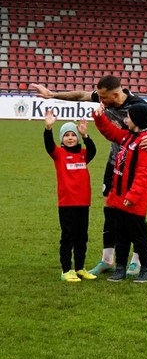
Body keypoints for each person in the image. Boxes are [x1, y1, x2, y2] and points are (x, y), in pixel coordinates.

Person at [32, 76, 147, 276]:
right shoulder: (105, 98)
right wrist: (52, 94)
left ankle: (136, 261)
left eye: (103, 98)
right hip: (114, 162)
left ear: (115, 94)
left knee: (134, 214)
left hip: (132, 166)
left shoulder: (139, 106)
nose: (99, 100)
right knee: (111, 211)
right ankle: (108, 260)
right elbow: (81, 95)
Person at [91, 101, 147, 283]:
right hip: (119, 197)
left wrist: (132, 196)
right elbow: (111, 132)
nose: (125, 119)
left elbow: (143, 174)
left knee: (138, 236)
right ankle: (120, 267)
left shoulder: (145, 142)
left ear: (137, 120)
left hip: (134, 199)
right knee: (120, 234)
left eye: (128, 117)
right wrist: (99, 117)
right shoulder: (128, 137)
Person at [43, 109, 98, 282]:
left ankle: (80, 268)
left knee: (82, 237)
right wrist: (48, 128)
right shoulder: (59, 154)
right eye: (66, 135)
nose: (70, 138)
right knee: (68, 237)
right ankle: (66, 270)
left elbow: (93, 150)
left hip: (83, 203)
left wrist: (86, 135)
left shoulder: (83, 155)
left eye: (72, 135)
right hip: (67, 203)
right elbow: (48, 145)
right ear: (62, 139)